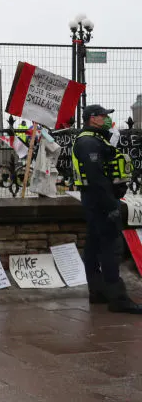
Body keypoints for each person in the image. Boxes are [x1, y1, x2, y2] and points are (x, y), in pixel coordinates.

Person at [72, 105, 142, 313]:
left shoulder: (96, 139)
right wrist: (111, 205)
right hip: (101, 201)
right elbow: (96, 178)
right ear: (92, 119)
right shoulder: (88, 142)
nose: (106, 119)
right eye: (102, 116)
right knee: (112, 247)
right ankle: (118, 299)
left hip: (96, 200)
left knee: (94, 246)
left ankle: (98, 291)